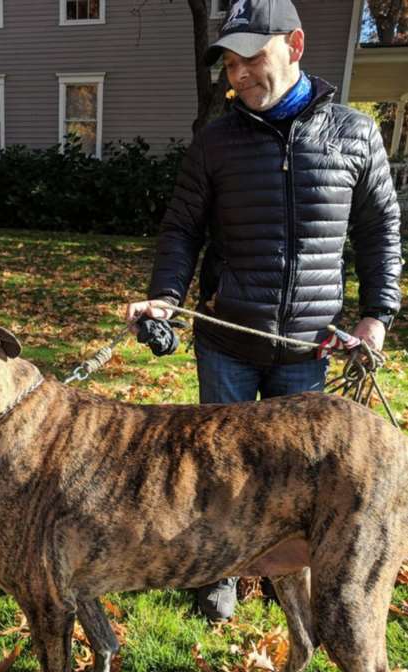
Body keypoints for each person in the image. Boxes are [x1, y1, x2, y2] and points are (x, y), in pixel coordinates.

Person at [126, 0, 402, 621]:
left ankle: (294, 585)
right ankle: (218, 574)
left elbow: (381, 232)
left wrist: (376, 316)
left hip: (311, 350)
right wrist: (166, 300)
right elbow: (181, 231)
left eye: (250, 57)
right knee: (216, 473)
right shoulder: (215, 139)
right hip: (227, 342)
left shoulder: (355, 134)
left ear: (295, 45)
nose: (238, 74)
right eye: (229, 62)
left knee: (294, 480)